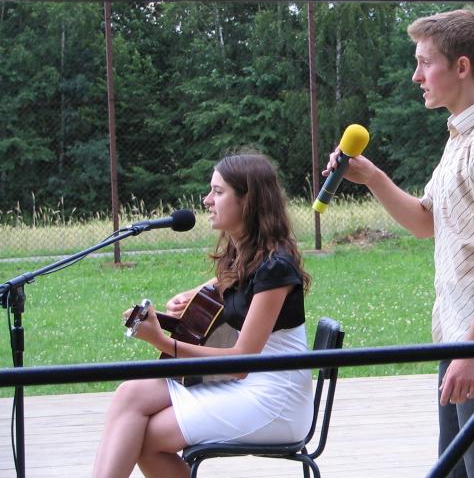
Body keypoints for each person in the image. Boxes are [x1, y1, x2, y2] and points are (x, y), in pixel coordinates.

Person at [324, 8, 474, 477]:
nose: (416, 76)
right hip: (463, 338)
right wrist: (373, 177)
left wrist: (473, 351)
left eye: (425, 63)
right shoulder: (463, 135)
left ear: (461, 67)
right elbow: (427, 223)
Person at [93, 151, 314, 478]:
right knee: (130, 394)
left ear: (248, 200)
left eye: (218, 192)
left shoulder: (275, 267)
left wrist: (161, 341)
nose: (207, 200)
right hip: (247, 384)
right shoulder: (245, 254)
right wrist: (188, 298)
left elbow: (242, 361)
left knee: (146, 438)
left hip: (275, 400)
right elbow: (223, 284)